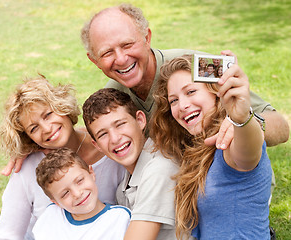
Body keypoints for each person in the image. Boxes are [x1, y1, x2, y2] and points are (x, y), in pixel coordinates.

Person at [80, 3, 289, 147]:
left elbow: (280, 127)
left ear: (147, 38)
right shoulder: (111, 98)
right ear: (94, 61)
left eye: (127, 44)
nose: (121, 59)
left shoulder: (197, 65)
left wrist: (243, 126)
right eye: (107, 53)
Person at [0, 76, 125, 240]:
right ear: (29, 138)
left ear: (63, 107)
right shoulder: (29, 165)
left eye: (48, 115)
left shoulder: (110, 150)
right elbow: (8, 234)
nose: (46, 129)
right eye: (34, 128)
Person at [150, 55, 272, 239]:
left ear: (215, 92)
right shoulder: (197, 148)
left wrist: (242, 119)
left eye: (190, 91)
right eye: (173, 100)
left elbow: (248, 152)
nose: (182, 105)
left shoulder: (230, 143)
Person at [82, 88, 179, 240]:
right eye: (103, 134)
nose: (114, 138)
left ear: (140, 120)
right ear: (97, 145)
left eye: (120, 124)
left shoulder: (160, 168)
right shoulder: (123, 188)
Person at [33, 147, 130, 240]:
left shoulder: (120, 218)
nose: (77, 194)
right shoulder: (51, 217)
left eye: (79, 181)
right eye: (65, 193)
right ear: (56, 202)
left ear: (91, 173)